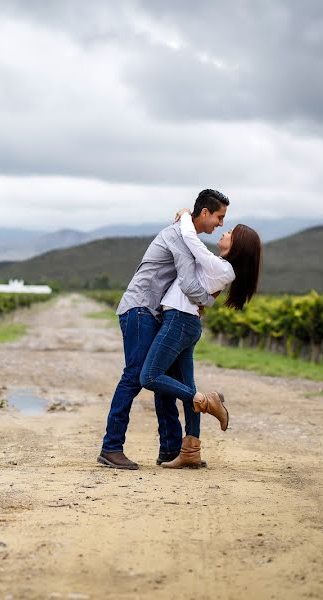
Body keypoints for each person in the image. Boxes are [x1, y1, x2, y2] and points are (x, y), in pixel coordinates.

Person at [98, 189, 229, 470]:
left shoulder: (187, 236)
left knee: (164, 379)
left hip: (152, 312)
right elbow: (190, 285)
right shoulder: (179, 238)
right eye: (219, 217)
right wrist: (204, 303)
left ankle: (170, 450)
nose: (220, 224)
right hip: (140, 309)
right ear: (204, 213)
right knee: (135, 377)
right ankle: (111, 447)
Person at [138, 206, 263, 468]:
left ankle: (206, 401)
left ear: (237, 244)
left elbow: (193, 243)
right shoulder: (222, 268)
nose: (223, 232)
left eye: (229, 232)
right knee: (187, 385)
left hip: (179, 321)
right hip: (186, 322)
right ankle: (191, 451)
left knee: (148, 376)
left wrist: (185, 215)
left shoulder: (223, 268)